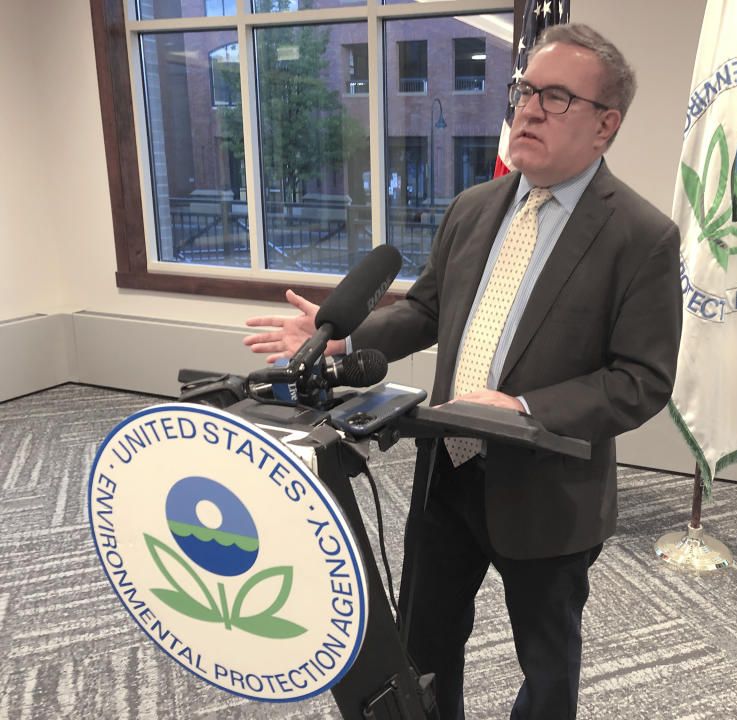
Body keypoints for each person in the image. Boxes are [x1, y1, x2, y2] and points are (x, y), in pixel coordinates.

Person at [244, 23, 682, 720]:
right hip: (443, 474)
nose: (528, 109)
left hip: (547, 493)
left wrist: (525, 409)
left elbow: (640, 380)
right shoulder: (474, 208)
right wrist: (342, 336)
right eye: (525, 90)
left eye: (556, 97)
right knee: (422, 646)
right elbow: (424, 310)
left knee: (546, 669)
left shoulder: (641, 235)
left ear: (606, 127)